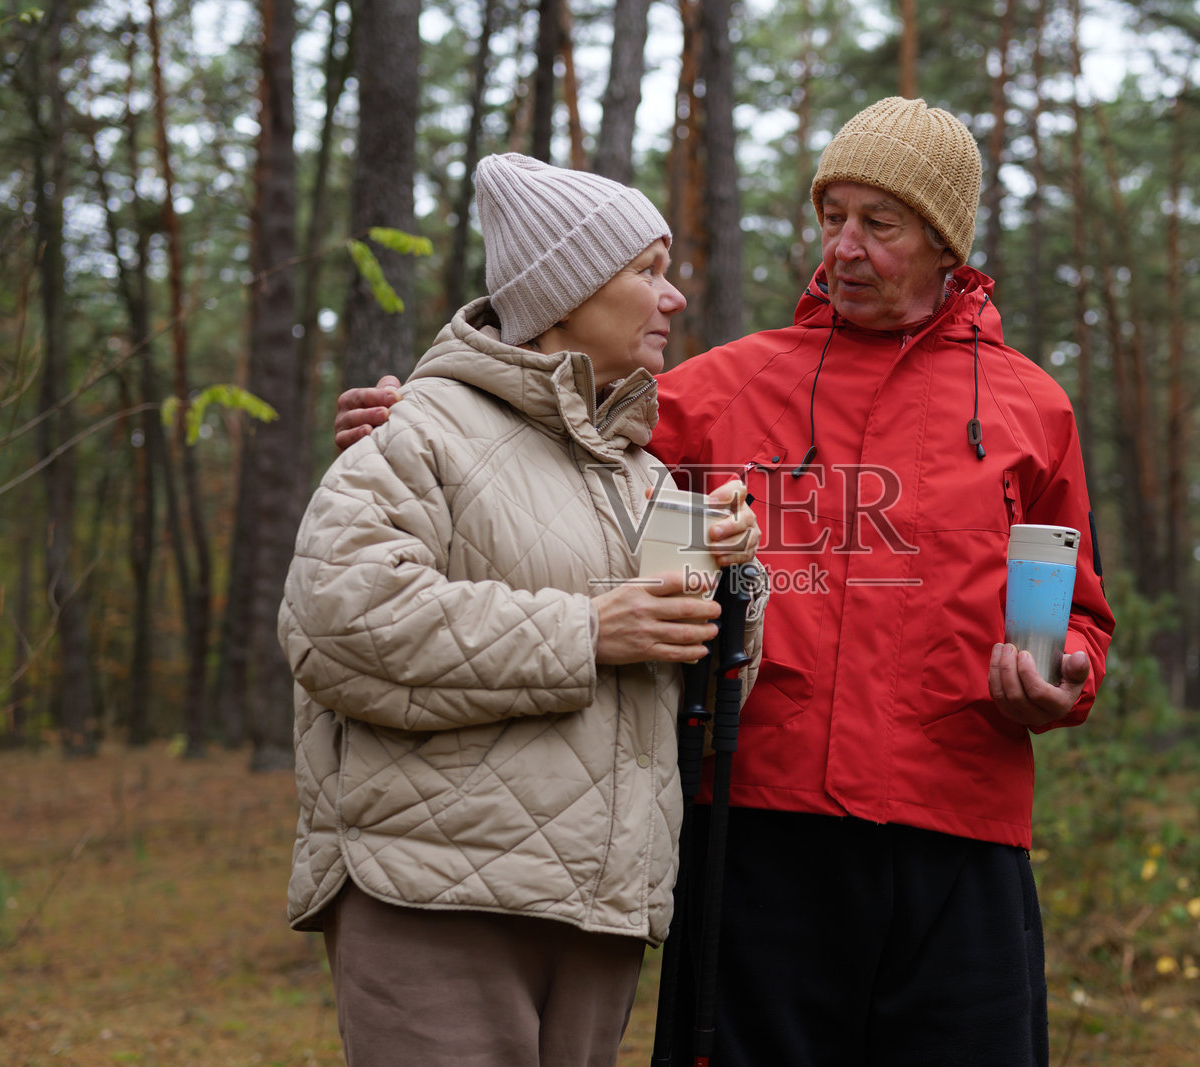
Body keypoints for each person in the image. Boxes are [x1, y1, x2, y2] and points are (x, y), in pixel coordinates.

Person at [337, 99, 1115, 1066]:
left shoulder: (1030, 407)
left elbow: (1079, 612)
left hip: (959, 833)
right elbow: (550, 433)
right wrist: (422, 414)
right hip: (756, 831)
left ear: (944, 241)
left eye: (881, 223)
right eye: (834, 216)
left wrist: (1066, 675)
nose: (846, 248)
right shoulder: (719, 387)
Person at [281, 153, 762, 1067]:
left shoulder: (644, 475)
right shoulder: (420, 431)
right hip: (435, 896)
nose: (674, 300)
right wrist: (586, 630)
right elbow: (341, 620)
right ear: (567, 293)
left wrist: (736, 585)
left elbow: (699, 689)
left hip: (599, 908)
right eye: (647, 272)